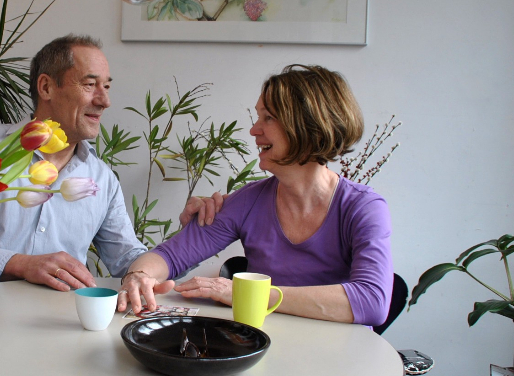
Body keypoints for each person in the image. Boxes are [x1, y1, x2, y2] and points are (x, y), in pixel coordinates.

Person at [117, 64, 393, 327]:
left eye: (268, 118)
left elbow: (372, 302)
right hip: (266, 344)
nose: (253, 129)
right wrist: (138, 275)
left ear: (308, 125)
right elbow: (170, 256)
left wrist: (249, 293)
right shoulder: (249, 201)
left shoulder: (363, 208)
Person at [0, 35, 148, 291]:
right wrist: (20, 264)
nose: (104, 101)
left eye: (107, 87)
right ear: (46, 87)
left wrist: (194, 238)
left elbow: (127, 258)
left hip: (67, 323)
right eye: (90, 84)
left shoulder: (103, 179)